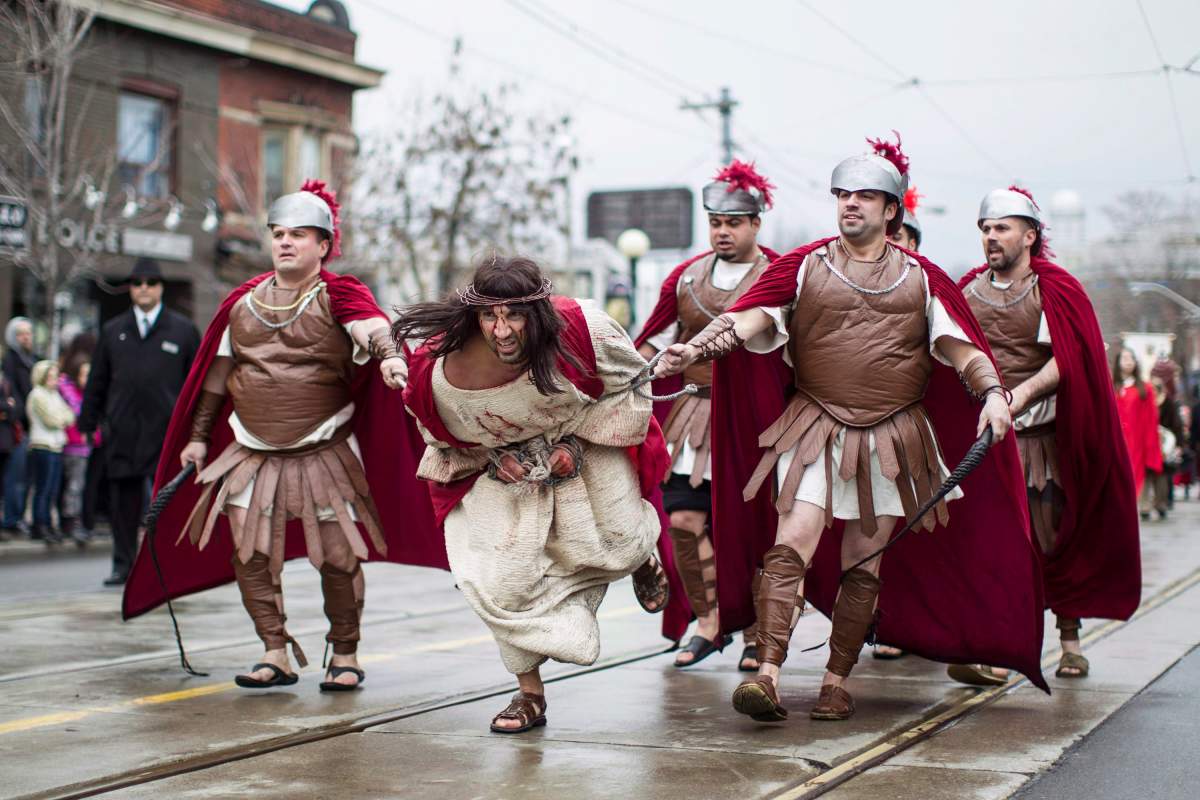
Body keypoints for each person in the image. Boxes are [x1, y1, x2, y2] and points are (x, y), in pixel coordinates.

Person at [655, 133, 1048, 722]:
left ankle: (837, 680)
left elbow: (963, 350)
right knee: (792, 540)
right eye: (843, 194)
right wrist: (696, 349)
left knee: (864, 563)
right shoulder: (804, 266)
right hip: (815, 423)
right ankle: (767, 673)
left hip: (894, 435)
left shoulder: (923, 278)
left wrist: (992, 393)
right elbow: (749, 319)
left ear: (892, 211)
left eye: (866, 196)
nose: (851, 204)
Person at [395, 254, 675, 733]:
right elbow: (438, 436)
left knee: (618, 536)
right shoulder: (434, 370)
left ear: (537, 314)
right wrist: (490, 459)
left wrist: (576, 442)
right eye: (490, 316)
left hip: (584, 436)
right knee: (497, 581)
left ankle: (640, 555)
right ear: (474, 315)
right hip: (502, 465)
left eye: (515, 315)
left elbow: (631, 388)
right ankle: (529, 695)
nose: (502, 331)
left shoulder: (584, 332)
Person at [953, 186, 1141, 684]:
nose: (991, 237)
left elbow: (1071, 358)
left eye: (1002, 228)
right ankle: (998, 647)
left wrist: (1021, 396)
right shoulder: (968, 292)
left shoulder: (1053, 290)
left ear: (1030, 235)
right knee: (995, 545)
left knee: (1050, 536)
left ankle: (1070, 640)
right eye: (986, 229)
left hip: (1043, 439)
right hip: (987, 441)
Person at [635, 160, 781, 670]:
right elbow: (654, 338)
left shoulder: (780, 273)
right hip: (693, 417)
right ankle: (710, 623)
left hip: (758, 423)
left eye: (734, 222)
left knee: (757, 530)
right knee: (682, 520)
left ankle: (759, 633)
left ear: (756, 223)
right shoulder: (686, 276)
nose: (723, 231)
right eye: (716, 221)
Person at [79, 259, 200, 586]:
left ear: (161, 287)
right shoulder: (113, 330)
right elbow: (98, 382)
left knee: (170, 504)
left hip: (168, 434)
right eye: (136, 282)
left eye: (150, 282)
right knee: (123, 505)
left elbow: (199, 385)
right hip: (123, 431)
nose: (143, 288)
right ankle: (123, 565)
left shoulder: (183, 330)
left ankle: (168, 565)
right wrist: (88, 422)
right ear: (130, 288)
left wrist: (199, 430)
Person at [27, 360, 75, 545]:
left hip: (56, 445)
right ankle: (39, 524)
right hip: (42, 445)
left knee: (53, 489)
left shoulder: (54, 395)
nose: (54, 380)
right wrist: (61, 419)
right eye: (51, 377)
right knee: (43, 488)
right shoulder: (37, 395)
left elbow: (69, 415)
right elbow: (51, 420)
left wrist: (62, 418)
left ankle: (47, 522)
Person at [2, 316, 40, 538]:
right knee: (15, 476)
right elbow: (14, 395)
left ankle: (17, 517)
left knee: (26, 477)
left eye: (28, 332)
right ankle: (11, 519)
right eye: (21, 333)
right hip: (18, 427)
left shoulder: (32, 359)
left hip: (32, 426)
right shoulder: (11, 360)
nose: (26, 337)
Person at [58, 336, 95, 546]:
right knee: (73, 486)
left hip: (83, 447)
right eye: (84, 374)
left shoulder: (82, 392)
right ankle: (70, 521)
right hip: (72, 446)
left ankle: (72, 519)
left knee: (78, 485)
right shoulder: (67, 389)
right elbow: (77, 414)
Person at [1113, 348, 1162, 501]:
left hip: (1136, 441)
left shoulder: (1144, 388)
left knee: (1137, 477)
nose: (1128, 361)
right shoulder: (1111, 387)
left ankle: (1141, 506)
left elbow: (1150, 419)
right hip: (1117, 441)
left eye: (1131, 358)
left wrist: (1151, 443)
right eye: (1124, 358)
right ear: (1118, 362)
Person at [1146, 360, 1183, 519]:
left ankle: (1161, 504)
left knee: (1162, 475)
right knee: (1146, 475)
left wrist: (1179, 444)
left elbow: (1177, 425)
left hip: (1165, 444)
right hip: (1147, 443)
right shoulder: (1145, 398)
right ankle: (1144, 505)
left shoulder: (1169, 402)